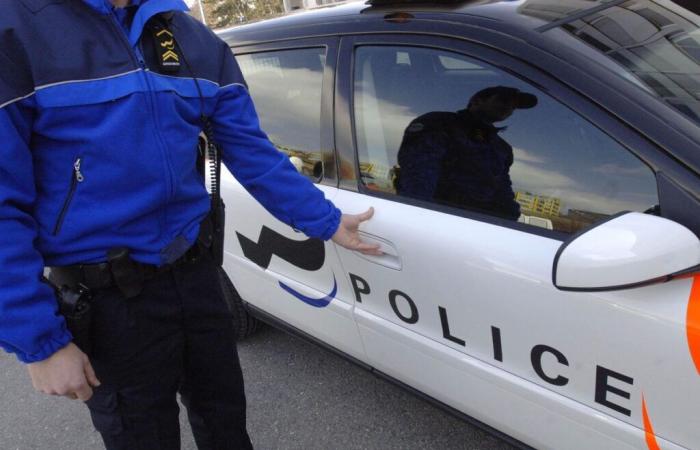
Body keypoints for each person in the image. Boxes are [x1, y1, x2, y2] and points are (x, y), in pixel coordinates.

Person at [0, 0, 380, 449]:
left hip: (197, 277)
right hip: (108, 304)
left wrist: (327, 221)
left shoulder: (184, 32)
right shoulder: (17, 27)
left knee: (227, 426)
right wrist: (40, 343)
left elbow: (251, 150)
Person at [395, 86, 538, 220]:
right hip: (437, 218)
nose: (508, 108)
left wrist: (510, 219)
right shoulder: (440, 124)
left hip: (478, 224)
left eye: (513, 106)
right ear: (477, 101)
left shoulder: (502, 148)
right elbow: (419, 175)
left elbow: (502, 188)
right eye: (503, 100)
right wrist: (418, 215)